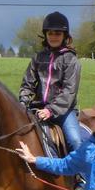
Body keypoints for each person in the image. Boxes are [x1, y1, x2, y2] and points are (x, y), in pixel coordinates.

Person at [19, 11, 82, 152]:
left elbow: (69, 91)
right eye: (50, 33)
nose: (53, 37)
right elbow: (27, 84)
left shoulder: (70, 60)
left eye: (58, 34)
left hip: (63, 111)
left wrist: (50, 110)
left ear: (65, 36)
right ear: (45, 35)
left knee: (75, 141)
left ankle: (81, 173)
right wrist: (22, 102)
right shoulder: (38, 58)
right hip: (37, 108)